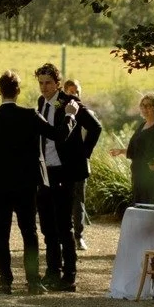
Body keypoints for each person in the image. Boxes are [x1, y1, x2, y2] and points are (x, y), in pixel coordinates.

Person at [0, 70, 57, 295]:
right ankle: (33, 281)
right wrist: (69, 114)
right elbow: (54, 134)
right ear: (18, 91)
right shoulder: (31, 115)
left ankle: (6, 281)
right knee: (29, 232)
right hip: (26, 185)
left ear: (0, 92)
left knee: (1, 233)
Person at [34, 64, 83, 291]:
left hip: (64, 171)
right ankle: (52, 271)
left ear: (58, 83)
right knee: (47, 225)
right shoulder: (41, 102)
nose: (44, 87)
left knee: (64, 225)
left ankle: (69, 276)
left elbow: (95, 126)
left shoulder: (68, 103)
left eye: (48, 83)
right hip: (45, 172)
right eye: (41, 83)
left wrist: (81, 155)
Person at [110, 93, 154, 205]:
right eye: (143, 105)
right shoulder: (142, 125)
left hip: (153, 175)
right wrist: (121, 151)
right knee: (139, 205)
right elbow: (136, 152)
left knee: (149, 205)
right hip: (138, 174)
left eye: (149, 105)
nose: (145, 108)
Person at [63, 78, 102, 251]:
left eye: (77, 91)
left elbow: (95, 130)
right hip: (62, 164)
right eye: (70, 91)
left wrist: (85, 153)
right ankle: (64, 235)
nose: (74, 94)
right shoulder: (61, 110)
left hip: (79, 164)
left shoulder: (85, 112)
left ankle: (78, 237)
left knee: (78, 201)